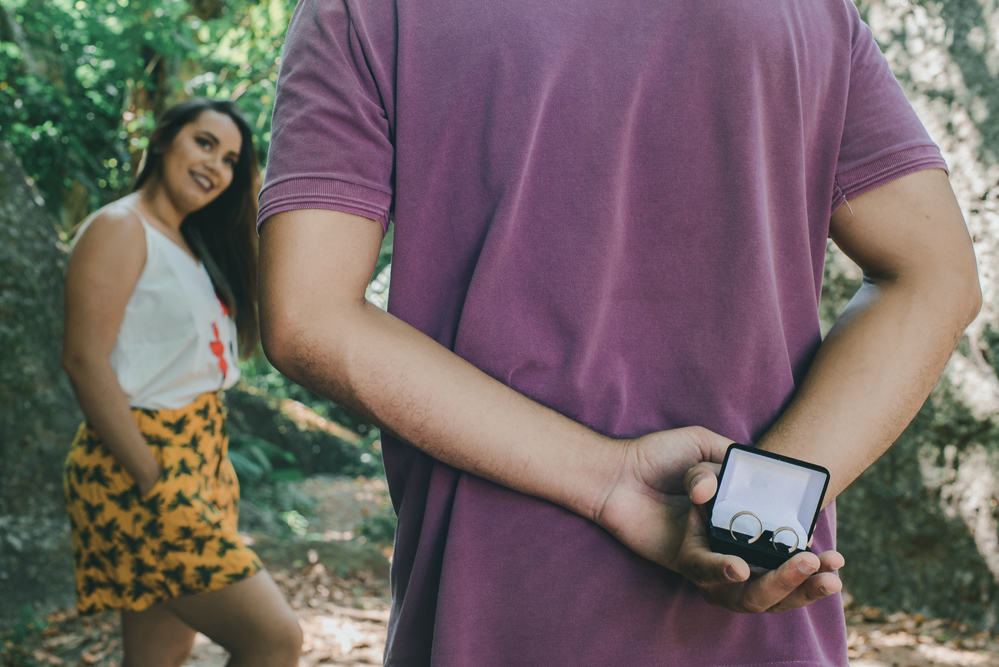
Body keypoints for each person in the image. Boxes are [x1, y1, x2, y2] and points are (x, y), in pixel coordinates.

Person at [256, 0, 982, 664]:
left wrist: (611, 483)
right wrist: (750, 512)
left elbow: (309, 314)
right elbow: (934, 276)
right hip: (751, 616)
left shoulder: (366, 10)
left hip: (493, 617)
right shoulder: (808, 11)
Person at [62, 98, 302, 667]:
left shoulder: (192, 248)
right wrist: (151, 476)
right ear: (165, 139)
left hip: (199, 466)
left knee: (155, 660)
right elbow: (83, 360)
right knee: (275, 639)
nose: (216, 165)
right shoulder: (121, 228)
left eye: (231, 159)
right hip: (143, 463)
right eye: (204, 143)